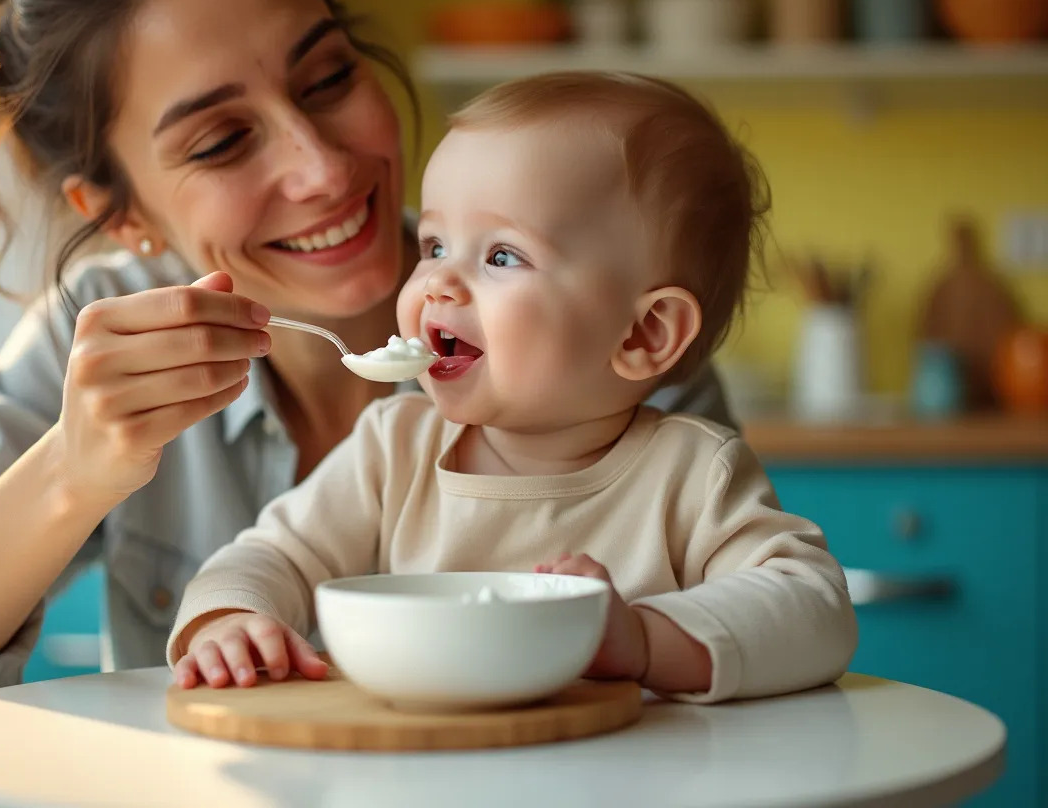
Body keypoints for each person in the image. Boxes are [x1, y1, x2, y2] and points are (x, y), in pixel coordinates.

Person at [0, 0, 735, 786]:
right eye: (223, 140)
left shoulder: (589, 315)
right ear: (122, 214)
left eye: (329, 79)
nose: (324, 168)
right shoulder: (92, 344)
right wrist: (72, 472)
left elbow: (742, 681)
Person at [168, 72, 857, 701]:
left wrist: (643, 639)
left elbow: (814, 609)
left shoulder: (690, 475)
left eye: (502, 255)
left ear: (644, 334)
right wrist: (232, 618)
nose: (437, 280)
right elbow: (271, 555)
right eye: (434, 245)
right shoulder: (392, 450)